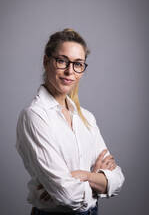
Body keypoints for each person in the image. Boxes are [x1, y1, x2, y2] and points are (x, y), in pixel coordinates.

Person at [16, 28, 125, 215]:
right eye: (62, 61)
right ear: (46, 61)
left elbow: (118, 179)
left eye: (78, 64)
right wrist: (97, 181)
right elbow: (66, 195)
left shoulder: (87, 118)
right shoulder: (35, 116)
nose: (69, 71)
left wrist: (83, 175)